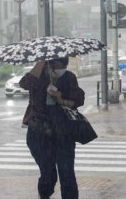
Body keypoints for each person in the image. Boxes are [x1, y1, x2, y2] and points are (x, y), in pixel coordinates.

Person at [19, 58, 84, 199]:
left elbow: (79, 99)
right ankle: (44, 194)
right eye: (57, 65)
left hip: (63, 132)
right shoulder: (38, 77)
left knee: (67, 173)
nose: (61, 68)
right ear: (49, 65)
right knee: (48, 172)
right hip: (39, 132)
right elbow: (24, 83)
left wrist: (60, 98)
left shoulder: (68, 77)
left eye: (64, 65)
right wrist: (40, 62)